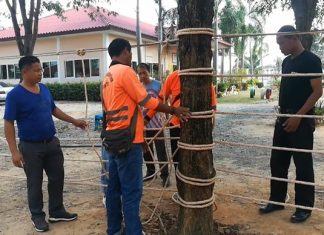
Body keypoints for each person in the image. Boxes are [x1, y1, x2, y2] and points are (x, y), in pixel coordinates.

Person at [102, 38, 190, 235]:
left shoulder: (107, 77)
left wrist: (141, 138)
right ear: (125, 52)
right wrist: (174, 110)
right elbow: (147, 101)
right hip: (127, 142)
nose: (131, 57)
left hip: (113, 140)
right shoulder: (125, 72)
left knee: (113, 191)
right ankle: (134, 231)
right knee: (132, 193)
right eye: (130, 53)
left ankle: (114, 230)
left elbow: (114, 110)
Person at [3, 56, 88, 232]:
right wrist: (14, 152)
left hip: (51, 143)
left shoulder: (44, 89)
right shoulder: (14, 95)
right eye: (36, 70)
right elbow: (8, 123)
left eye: (41, 69)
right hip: (30, 147)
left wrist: (74, 121)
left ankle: (56, 211)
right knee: (34, 182)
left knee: (57, 177)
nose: (41, 73)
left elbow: (53, 109)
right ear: (24, 71)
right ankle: (37, 216)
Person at [259, 25, 323, 223]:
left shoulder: (312, 60)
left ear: (294, 38)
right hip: (283, 119)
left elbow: (317, 91)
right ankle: (277, 200)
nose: (279, 47)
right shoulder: (286, 62)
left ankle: (304, 207)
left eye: (281, 42)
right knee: (277, 162)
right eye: (278, 43)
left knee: (303, 165)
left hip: (301, 121)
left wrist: (299, 116)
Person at [145, 70, 217, 170]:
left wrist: (209, 121)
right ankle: (180, 180)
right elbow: (160, 99)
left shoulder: (203, 76)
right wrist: (147, 118)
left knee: (199, 157)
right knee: (177, 159)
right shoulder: (173, 76)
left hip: (198, 125)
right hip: (175, 124)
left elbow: (213, 105)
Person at [137, 63, 169, 186]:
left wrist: (166, 117)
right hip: (143, 124)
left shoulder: (157, 85)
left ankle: (165, 175)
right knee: (146, 150)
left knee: (161, 150)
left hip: (157, 123)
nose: (142, 75)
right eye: (139, 73)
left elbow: (164, 100)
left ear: (148, 72)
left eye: (144, 72)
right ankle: (151, 172)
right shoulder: (138, 87)